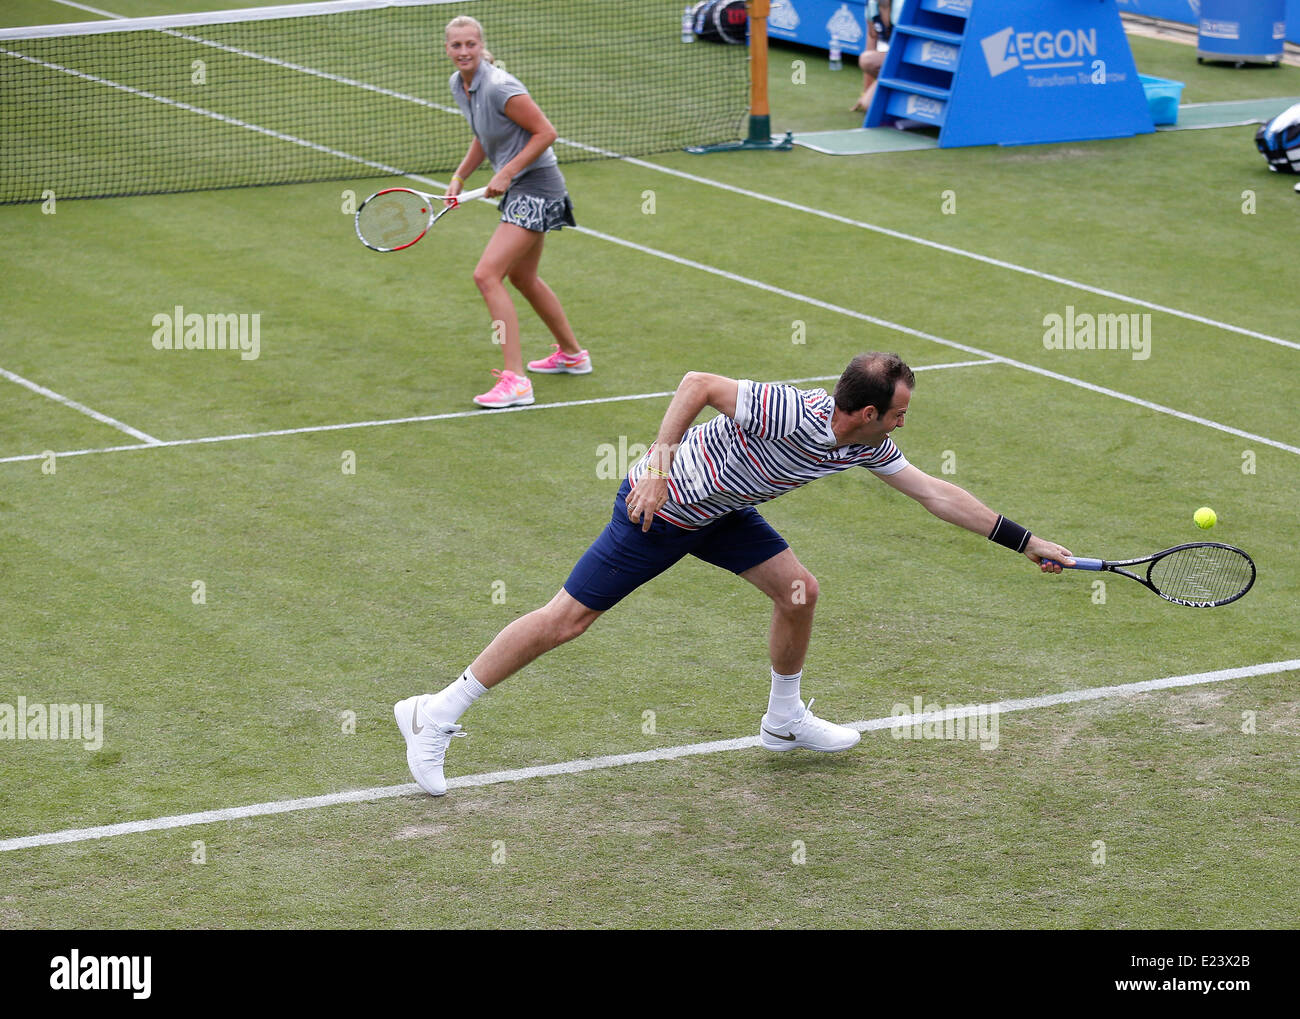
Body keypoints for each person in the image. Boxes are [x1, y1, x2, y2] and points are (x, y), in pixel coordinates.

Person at [395, 353, 1077, 796]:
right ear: (865, 412)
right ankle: (435, 713)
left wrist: (1028, 541)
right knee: (566, 620)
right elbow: (696, 382)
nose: (902, 423)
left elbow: (936, 494)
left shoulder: (866, 447)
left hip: (721, 512)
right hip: (657, 511)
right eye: (898, 412)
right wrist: (660, 461)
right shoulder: (789, 410)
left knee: (799, 591)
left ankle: (783, 719)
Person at [443, 16, 592, 409]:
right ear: (447, 49)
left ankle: (516, 382)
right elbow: (484, 135)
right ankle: (573, 355)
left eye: (470, 44)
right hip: (521, 186)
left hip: (537, 186)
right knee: (523, 277)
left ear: (480, 45)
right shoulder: (460, 86)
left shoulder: (500, 87)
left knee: (486, 275)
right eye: (456, 45)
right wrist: (460, 176)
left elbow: (546, 132)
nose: (463, 51)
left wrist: (507, 172)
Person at [852, 0, 897, 113]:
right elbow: (870, 48)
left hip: (906, 59)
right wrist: (865, 93)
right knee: (868, 105)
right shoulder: (871, 6)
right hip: (892, 63)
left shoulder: (901, 6)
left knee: (867, 59)